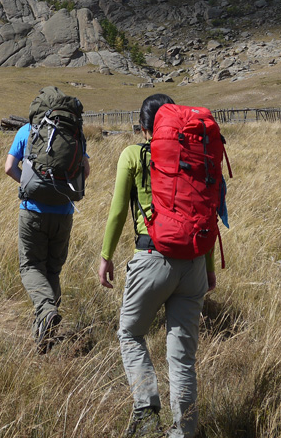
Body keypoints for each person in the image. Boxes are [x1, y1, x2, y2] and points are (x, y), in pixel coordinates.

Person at [98, 94, 217, 438]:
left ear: (143, 127)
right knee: (182, 359)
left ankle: (147, 411)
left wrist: (106, 255)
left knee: (130, 334)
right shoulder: (196, 156)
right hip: (194, 262)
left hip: (152, 258)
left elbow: (118, 211)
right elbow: (206, 214)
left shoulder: (133, 155)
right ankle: (184, 432)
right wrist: (209, 268)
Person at [5, 111, 89, 353]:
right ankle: (44, 336)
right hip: (63, 213)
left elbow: (9, 167)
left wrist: (30, 186)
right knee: (52, 270)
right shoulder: (74, 133)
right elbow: (86, 170)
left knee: (31, 267)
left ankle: (46, 309)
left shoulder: (27, 130)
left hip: (32, 211)